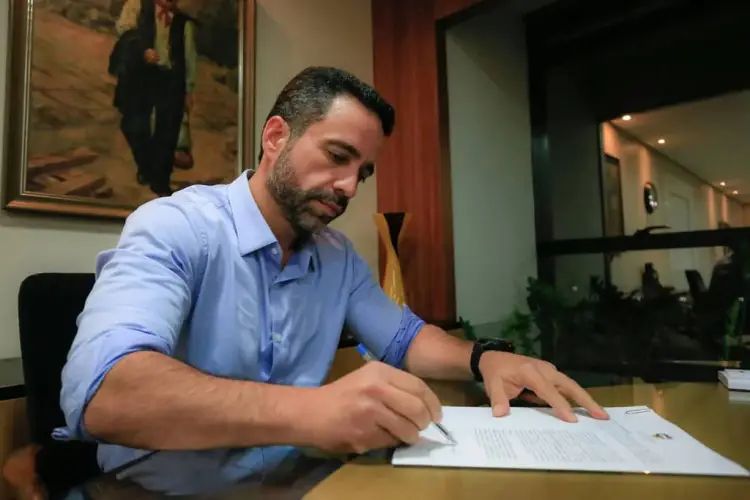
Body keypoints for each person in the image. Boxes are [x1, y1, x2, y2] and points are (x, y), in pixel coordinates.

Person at [46, 66, 608, 495]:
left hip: (300, 484)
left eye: (363, 171)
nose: (349, 187)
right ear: (275, 137)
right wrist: (311, 411)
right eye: (338, 156)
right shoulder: (177, 226)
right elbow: (103, 391)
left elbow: (405, 338)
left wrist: (485, 357)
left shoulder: (337, 256)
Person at [112, 0, 197, 196]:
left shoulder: (184, 23)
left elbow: (190, 58)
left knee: (168, 131)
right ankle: (146, 167)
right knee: (134, 125)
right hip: (142, 76)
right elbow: (124, 32)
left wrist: (189, 90)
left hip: (171, 79)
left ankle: (161, 181)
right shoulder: (139, 7)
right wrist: (142, 51)